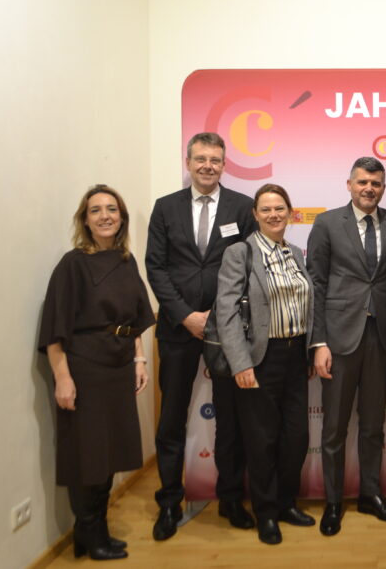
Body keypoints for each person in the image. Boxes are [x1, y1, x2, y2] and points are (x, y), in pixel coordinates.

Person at [145, 132, 257, 540]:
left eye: (215, 159)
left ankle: (230, 498)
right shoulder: (165, 208)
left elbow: (248, 268)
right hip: (178, 329)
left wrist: (220, 318)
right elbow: (155, 267)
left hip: (227, 331)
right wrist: (186, 315)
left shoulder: (242, 208)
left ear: (224, 164)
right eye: (201, 159)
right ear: (187, 161)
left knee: (231, 418)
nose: (208, 166)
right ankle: (169, 503)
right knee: (171, 418)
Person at [39, 185, 154, 560]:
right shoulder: (73, 264)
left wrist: (138, 359)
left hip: (119, 364)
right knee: (88, 453)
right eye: (95, 210)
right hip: (85, 366)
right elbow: (55, 327)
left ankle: (95, 529)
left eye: (112, 209)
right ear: (84, 220)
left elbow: (134, 319)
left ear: (120, 217)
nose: (105, 215)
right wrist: (63, 377)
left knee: (111, 452)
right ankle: (87, 530)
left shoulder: (126, 260)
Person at [307, 157, 386, 536]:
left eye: (377, 183)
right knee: (333, 428)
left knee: (372, 425)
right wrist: (318, 342)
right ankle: (333, 502)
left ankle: (371, 494)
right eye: (363, 182)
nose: (370, 188)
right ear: (349, 184)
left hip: (381, 337)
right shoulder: (327, 222)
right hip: (337, 338)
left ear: (384, 187)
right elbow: (315, 284)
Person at [215, 184, 315, 545]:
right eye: (266, 209)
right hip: (260, 359)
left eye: (280, 208)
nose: (274, 215)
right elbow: (225, 312)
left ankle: (287, 503)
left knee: (296, 438)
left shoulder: (297, 253)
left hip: (295, 357)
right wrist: (241, 363)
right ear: (255, 215)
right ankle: (267, 513)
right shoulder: (241, 253)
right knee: (261, 441)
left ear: (290, 212)